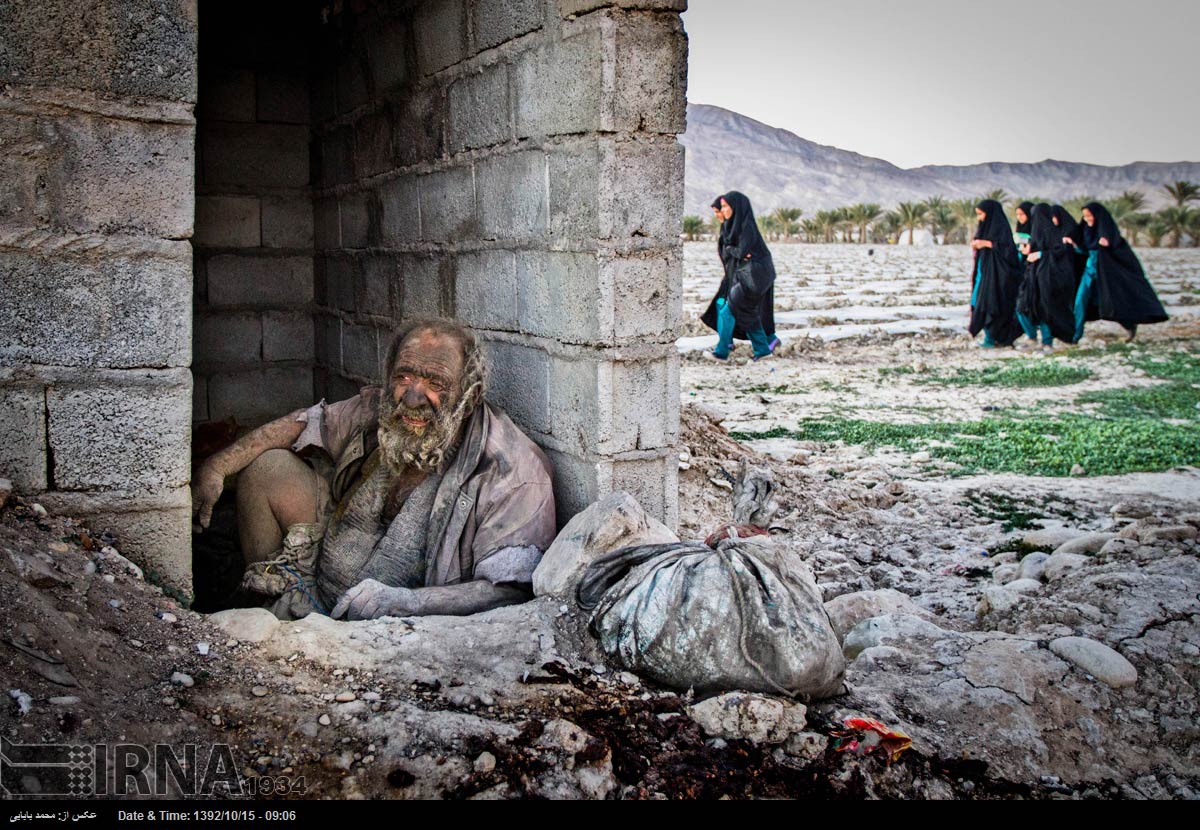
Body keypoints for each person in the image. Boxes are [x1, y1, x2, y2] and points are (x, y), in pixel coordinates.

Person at [191, 318, 557, 621]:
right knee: (267, 468)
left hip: (400, 625)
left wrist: (405, 603)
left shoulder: (512, 470)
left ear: (470, 394)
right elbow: (302, 425)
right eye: (404, 377)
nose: (413, 397)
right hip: (316, 583)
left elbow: (510, 592)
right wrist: (217, 467)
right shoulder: (381, 408)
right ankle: (266, 606)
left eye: (435, 383)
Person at [1073, 201, 1168, 343]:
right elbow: (1085, 249)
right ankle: (1075, 336)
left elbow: (1119, 253)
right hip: (1089, 272)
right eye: (1085, 217)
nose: (1087, 219)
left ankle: (1129, 325)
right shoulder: (1086, 230)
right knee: (1080, 300)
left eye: (1090, 216)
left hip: (1106, 274)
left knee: (1111, 303)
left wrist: (1106, 246)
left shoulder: (1109, 234)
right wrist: (1075, 245)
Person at [700, 191, 779, 361]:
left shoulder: (746, 227)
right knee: (739, 311)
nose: (722, 211)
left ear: (736, 207)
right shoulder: (734, 227)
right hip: (744, 275)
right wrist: (735, 252)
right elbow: (734, 254)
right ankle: (763, 348)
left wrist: (733, 251)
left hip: (754, 277)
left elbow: (741, 251)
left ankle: (724, 351)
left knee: (730, 310)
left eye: (725, 207)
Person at [968, 199, 1023, 348]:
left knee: (992, 304)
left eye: (981, 214)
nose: (979, 218)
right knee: (979, 303)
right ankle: (989, 337)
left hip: (998, 277)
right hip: (983, 274)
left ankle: (992, 339)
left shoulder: (1001, 230)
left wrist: (987, 244)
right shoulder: (984, 229)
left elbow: (1008, 251)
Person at [1024, 203, 1078, 347]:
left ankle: (1050, 340)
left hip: (1050, 277)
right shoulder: (1036, 233)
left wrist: (1040, 254)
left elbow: (1059, 251)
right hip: (1037, 275)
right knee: (1037, 306)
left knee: (1048, 306)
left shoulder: (1051, 232)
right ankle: (1042, 339)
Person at [1013, 201, 1040, 345]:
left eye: (1022, 214)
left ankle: (1036, 335)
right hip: (1021, 267)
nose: (1019, 218)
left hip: (1034, 269)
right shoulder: (1020, 228)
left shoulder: (1037, 229)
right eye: (1017, 215)